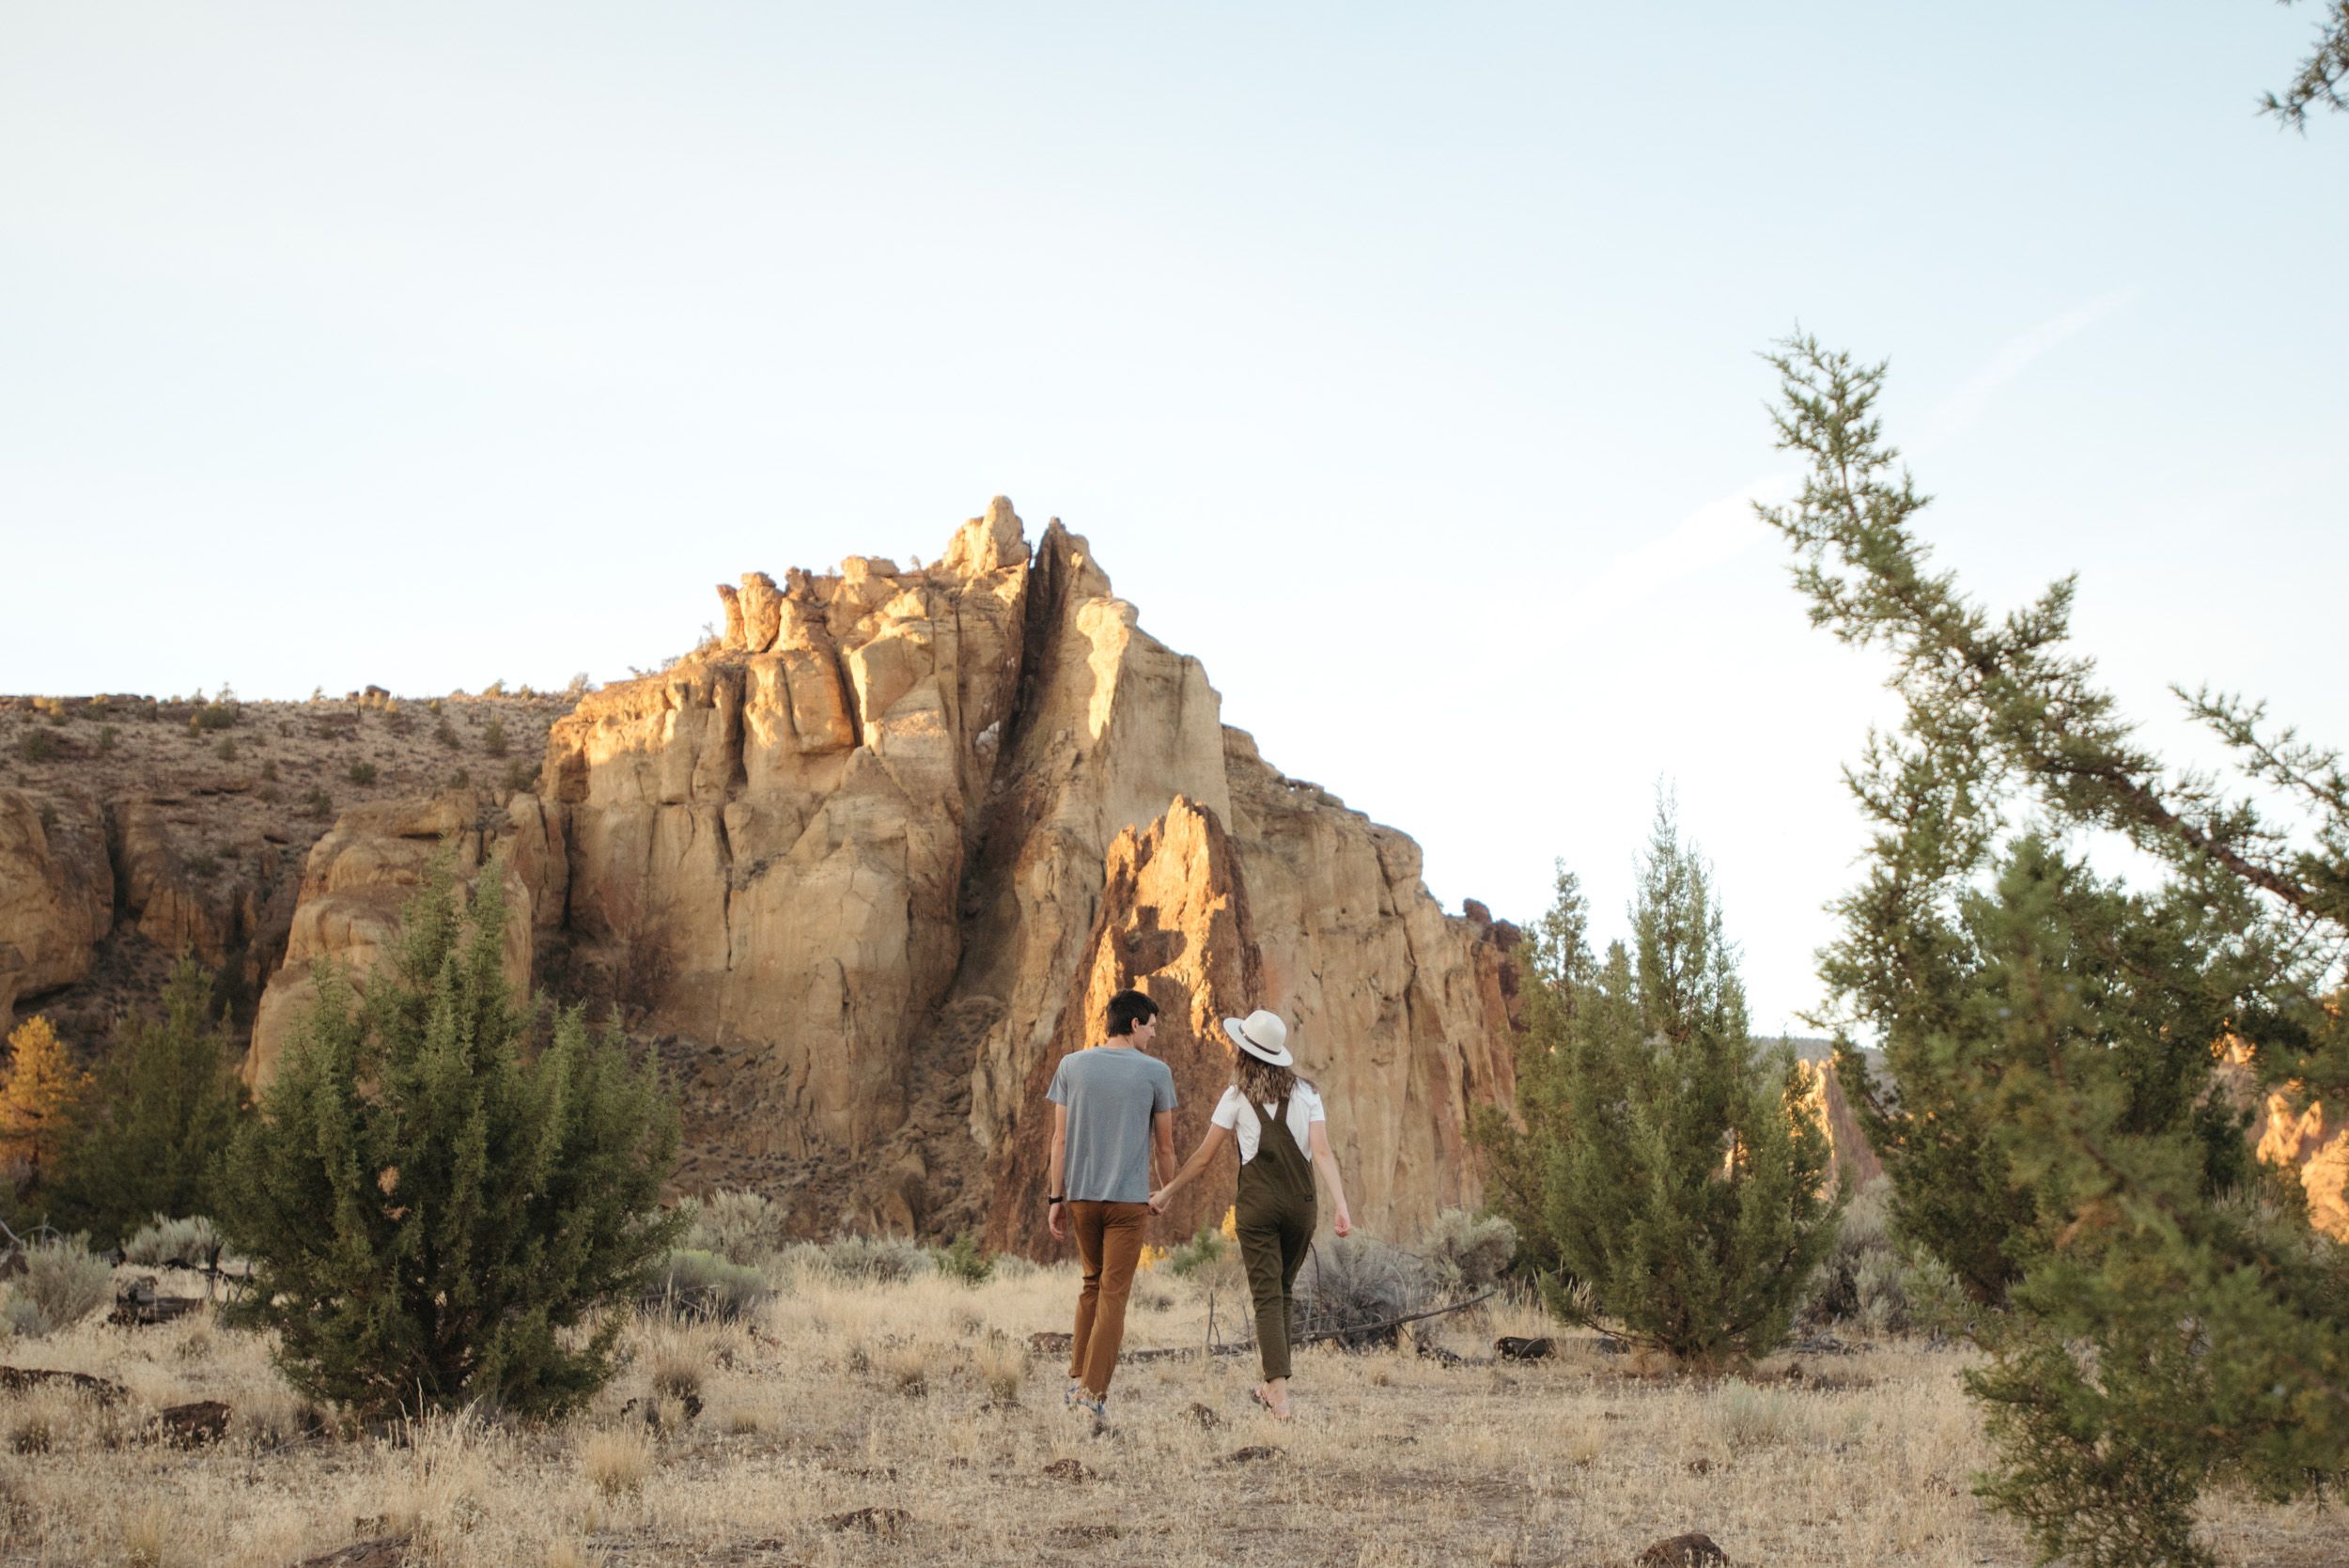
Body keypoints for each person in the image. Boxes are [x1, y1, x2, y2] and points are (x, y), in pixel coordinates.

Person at [1151, 1008, 1352, 1421]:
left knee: (1267, 1296)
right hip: (1302, 1207)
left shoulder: (1237, 1096)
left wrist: (1167, 1191)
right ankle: (1272, 1385)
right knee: (1281, 1292)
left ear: (1244, 1052)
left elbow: (1204, 1159)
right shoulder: (1308, 1093)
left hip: (1258, 1208)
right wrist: (1342, 1207)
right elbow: (1324, 1153)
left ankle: (1279, 1397)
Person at [1045, 986, 1177, 1426]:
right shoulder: (1156, 1073)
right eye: (1153, 1027)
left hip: (1080, 1197)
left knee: (1091, 1284)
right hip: (1127, 1201)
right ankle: (1092, 1395)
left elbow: (1059, 1140)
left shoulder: (1071, 1065)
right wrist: (1167, 1189)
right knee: (1114, 1296)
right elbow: (1165, 1145)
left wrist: (1055, 1197)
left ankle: (1078, 1377)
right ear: (1135, 1024)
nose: (1155, 1036)